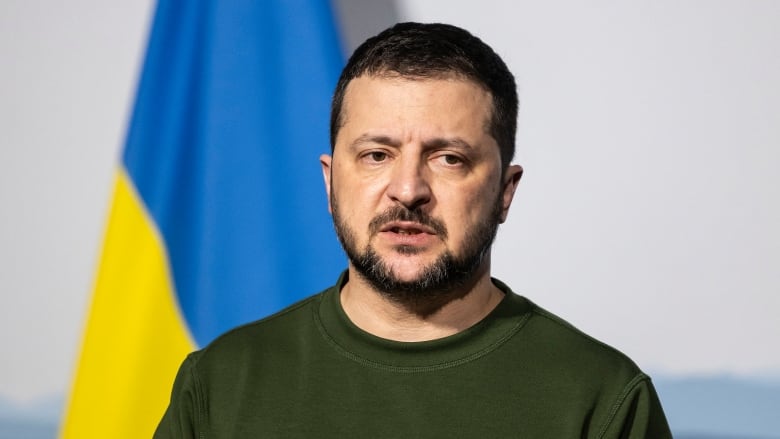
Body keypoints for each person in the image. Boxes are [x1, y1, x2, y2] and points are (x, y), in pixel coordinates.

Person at [154, 22, 671, 438]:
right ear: (331, 181)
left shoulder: (603, 399)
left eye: (448, 159)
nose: (407, 189)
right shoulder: (220, 384)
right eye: (377, 155)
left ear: (505, 192)